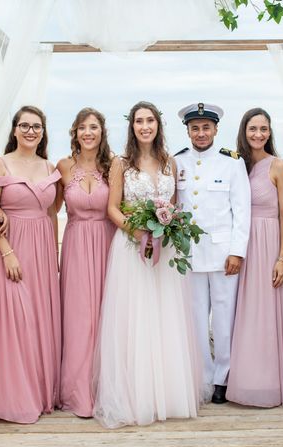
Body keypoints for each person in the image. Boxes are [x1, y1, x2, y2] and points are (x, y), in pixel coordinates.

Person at [93, 101, 205, 428]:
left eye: (150, 120)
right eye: (139, 121)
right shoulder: (121, 164)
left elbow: (172, 205)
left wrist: (166, 230)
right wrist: (139, 233)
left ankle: (168, 395)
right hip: (131, 248)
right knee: (136, 317)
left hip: (165, 249)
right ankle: (138, 395)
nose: (145, 126)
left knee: (165, 316)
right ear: (132, 126)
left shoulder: (169, 162)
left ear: (158, 125)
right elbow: (112, 209)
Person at [0, 106, 62, 424]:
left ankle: (40, 393)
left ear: (43, 132)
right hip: (10, 250)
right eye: (24, 125)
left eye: (36, 127)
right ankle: (14, 397)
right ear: (14, 130)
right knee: (15, 322)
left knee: (40, 320)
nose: (30, 131)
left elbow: (52, 213)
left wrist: (53, 254)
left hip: (41, 251)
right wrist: (6, 252)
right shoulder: (0, 163)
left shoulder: (48, 165)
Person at [174, 102, 251, 404]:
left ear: (216, 129)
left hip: (222, 256)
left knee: (223, 319)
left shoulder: (232, 163)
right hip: (187, 255)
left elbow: (242, 211)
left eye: (207, 127)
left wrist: (237, 251)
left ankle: (223, 378)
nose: (201, 133)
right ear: (188, 131)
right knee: (193, 319)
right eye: (195, 128)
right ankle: (203, 378)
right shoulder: (176, 162)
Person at [226, 108, 283, 408]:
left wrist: (282, 256)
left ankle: (269, 382)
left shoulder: (278, 165)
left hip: (267, 241)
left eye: (264, 129)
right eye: (253, 128)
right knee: (244, 311)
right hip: (242, 243)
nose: (258, 134)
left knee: (267, 310)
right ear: (244, 130)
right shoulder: (234, 164)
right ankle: (244, 379)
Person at [56, 108, 116, 417]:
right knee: (79, 317)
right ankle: (78, 391)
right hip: (77, 245)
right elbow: (47, 209)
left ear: (102, 132)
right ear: (75, 133)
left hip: (108, 244)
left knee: (107, 313)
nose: (88, 133)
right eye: (83, 128)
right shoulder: (64, 167)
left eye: (94, 127)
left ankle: (106, 386)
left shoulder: (113, 166)